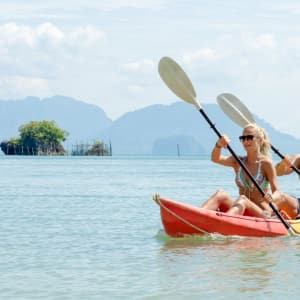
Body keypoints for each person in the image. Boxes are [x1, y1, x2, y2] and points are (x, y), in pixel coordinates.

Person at [201, 123, 299, 219]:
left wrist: (271, 198)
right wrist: (218, 145)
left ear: (260, 140)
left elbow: (277, 191)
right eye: (243, 138)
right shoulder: (237, 161)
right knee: (220, 194)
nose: (245, 141)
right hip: (242, 208)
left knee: (243, 199)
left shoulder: (266, 163)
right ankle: (195, 217)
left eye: (249, 137)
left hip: (262, 212)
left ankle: (223, 223)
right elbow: (215, 158)